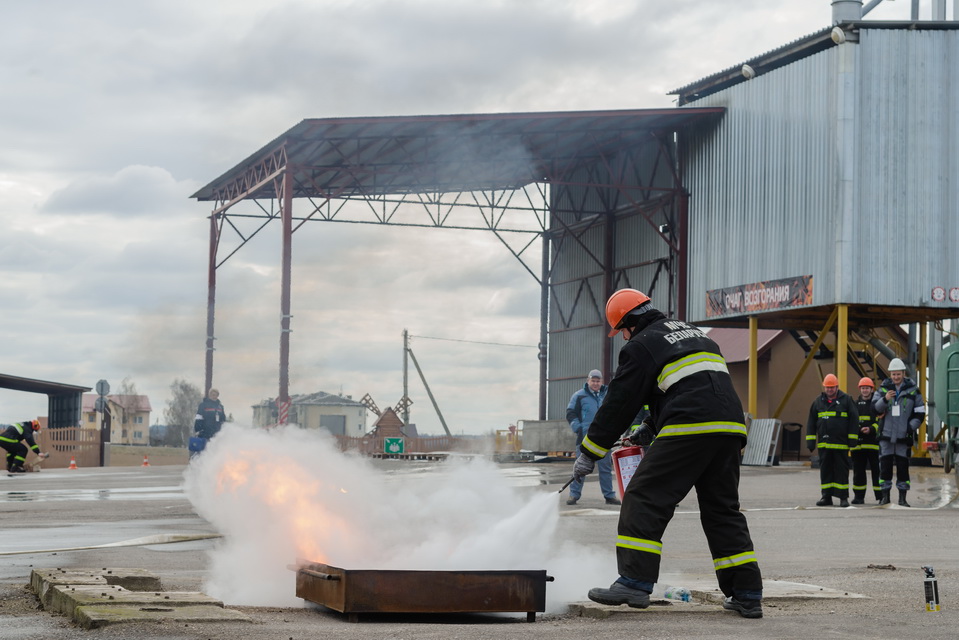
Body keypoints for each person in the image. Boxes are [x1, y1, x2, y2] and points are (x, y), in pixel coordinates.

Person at [573, 288, 763, 619]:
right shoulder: (693, 335)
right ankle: (747, 593)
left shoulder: (641, 346)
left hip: (691, 426)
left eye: (622, 332)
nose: (623, 338)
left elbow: (620, 401)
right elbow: (688, 387)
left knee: (644, 496)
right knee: (722, 510)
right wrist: (651, 425)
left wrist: (591, 450)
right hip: (730, 428)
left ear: (629, 323)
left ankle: (634, 581)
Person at [874, 358, 925, 507]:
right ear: (890, 374)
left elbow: (920, 413)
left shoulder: (913, 390)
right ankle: (885, 497)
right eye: (893, 374)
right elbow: (875, 409)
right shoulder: (883, 389)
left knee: (903, 468)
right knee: (885, 467)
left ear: (904, 373)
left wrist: (910, 427)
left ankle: (902, 498)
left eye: (898, 374)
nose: (896, 377)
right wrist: (885, 399)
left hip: (903, 436)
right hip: (886, 436)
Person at [565, 369, 620, 506]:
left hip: (604, 438)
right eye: (593, 380)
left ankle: (609, 496)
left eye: (598, 381)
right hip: (585, 438)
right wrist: (578, 428)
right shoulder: (579, 396)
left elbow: (615, 411)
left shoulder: (608, 395)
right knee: (580, 467)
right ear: (588, 381)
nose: (595, 383)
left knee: (605, 468)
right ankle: (574, 495)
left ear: (601, 382)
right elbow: (570, 413)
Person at [805, 373, 859, 507]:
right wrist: (810, 442)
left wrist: (852, 440)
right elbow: (811, 422)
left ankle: (843, 497)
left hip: (841, 444)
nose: (829, 390)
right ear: (824, 387)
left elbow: (854, 419)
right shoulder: (818, 401)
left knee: (842, 471)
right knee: (825, 471)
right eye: (827, 387)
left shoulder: (846, 400)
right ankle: (826, 497)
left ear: (837, 387)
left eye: (832, 387)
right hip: (824, 444)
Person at [852, 377, 882, 504]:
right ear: (860, 389)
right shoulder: (854, 404)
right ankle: (859, 497)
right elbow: (851, 421)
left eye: (867, 388)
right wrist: (858, 428)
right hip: (858, 445)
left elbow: (880, 422)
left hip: (873, 443)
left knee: (877, 471)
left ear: (871, 389)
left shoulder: (877, 404)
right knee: (858, 472)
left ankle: (881, 496)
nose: (865, 390)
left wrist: (871, 429)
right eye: (863, 388)